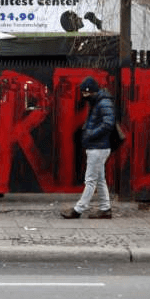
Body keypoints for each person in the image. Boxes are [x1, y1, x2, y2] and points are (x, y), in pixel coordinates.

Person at [61, 76, 115, 219]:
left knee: (90, 180)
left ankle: (78, 209)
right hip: (98, 146)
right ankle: (105, 208)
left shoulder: (102, 103)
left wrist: (91, 134)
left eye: (86, 94)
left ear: (92, 91)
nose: (84, 97)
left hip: (98, 147)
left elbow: (108, 123)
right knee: (100, 179)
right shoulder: (99, 102)